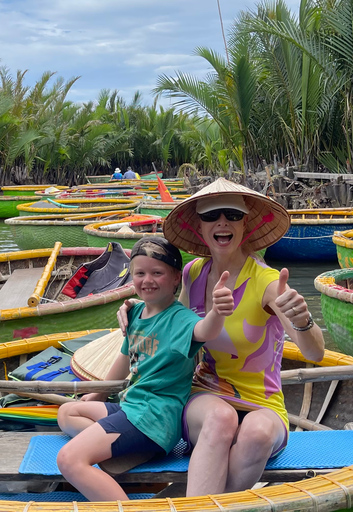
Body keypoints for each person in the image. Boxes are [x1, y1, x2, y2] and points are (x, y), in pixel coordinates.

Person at [118, 178, 325, 496]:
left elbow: (313, 354)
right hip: (204, 397)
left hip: (263, 403)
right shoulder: (192, 274)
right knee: (221, 418)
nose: (222, 222)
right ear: (199, 228)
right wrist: (133, 309)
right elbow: (168, 323)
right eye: (211, 215)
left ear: (246, 225)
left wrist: (303, 320)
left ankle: (200, 503)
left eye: (232, 214)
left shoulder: (268, 283)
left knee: (255, 433)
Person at [56, 236, 235, 501]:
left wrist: (218, 311)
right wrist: (98, 395)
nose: (147, 280)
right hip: (132, 407)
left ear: (176, 278)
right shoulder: (136, 313)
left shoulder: (179, 319)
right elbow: (124, 359)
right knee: (67, 412)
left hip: (154, 417)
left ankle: (130, 462)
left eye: (157, 273)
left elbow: (204, 330)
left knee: (69, 459)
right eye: (140, 273)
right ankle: (128, 448)